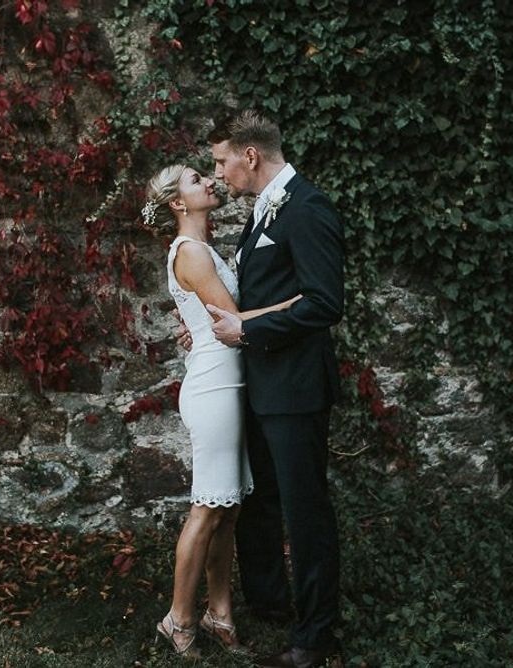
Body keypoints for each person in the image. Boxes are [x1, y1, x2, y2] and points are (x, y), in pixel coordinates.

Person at [143, 163, 301, 660]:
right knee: (208, 505)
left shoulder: (204, 249)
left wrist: (197, 323)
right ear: (178, 203)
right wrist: (295, 306)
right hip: (213, 387)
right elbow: (230, 318)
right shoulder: (190, 252)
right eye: (196, 179)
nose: (209, 181)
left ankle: (220, 613)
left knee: (228, 508)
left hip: (231, 383)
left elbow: (211, 314)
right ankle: (179, 620)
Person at [205, 110, 345, 668]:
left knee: (305, 511)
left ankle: (314, 638)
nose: (217, 173)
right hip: (259, 386)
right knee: (259, 503)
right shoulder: (262, 210)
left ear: (250, 156)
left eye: (221, 161)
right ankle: (270, 604)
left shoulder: (307, 208)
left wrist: (249, 329)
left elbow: (323, 302)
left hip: (296, 389)